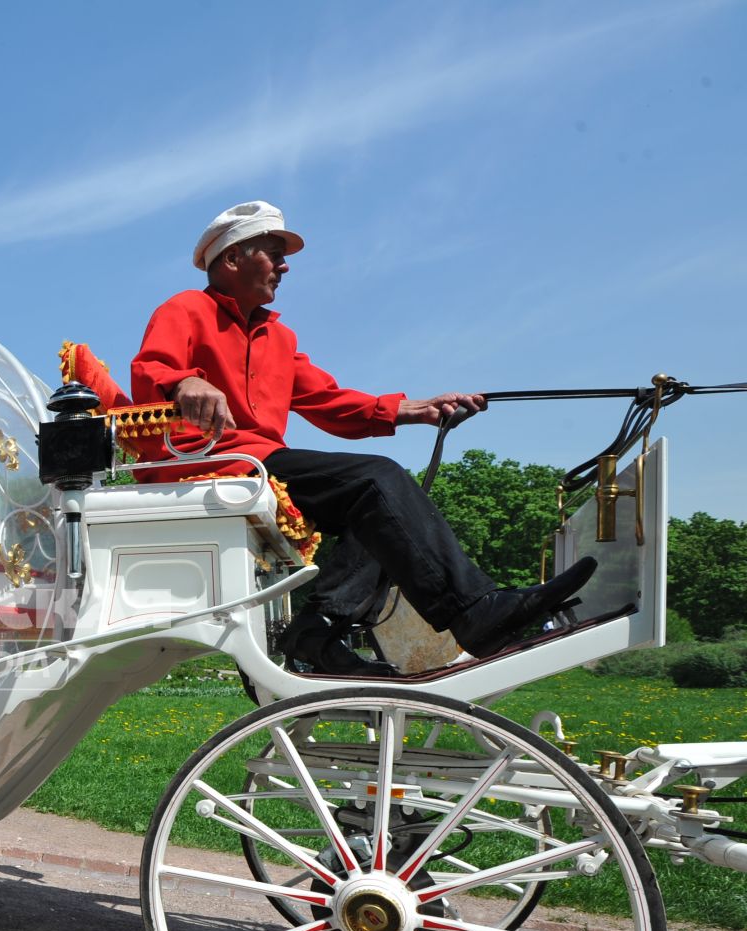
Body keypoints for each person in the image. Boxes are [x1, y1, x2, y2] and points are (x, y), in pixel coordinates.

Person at [128, 200, 594, 674]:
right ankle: (474, 612)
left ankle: (318, 631)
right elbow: (150, 368)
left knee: (384, 507)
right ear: (231, 260)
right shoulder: (185, 308)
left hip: (264, 463)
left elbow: (329, 401)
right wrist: (186, 382)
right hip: (211, 460)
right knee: (377, 479)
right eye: (273, 253)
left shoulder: (280, 339)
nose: (285, 266)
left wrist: (417, 409)